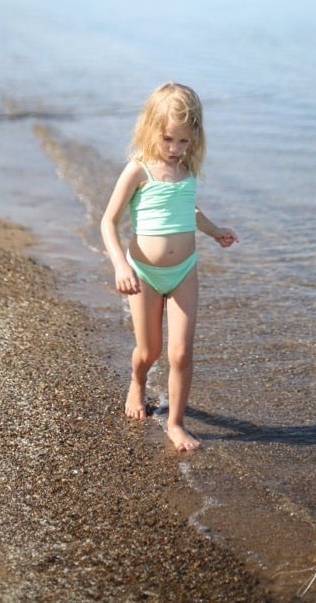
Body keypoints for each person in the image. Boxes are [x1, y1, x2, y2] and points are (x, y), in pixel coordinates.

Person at [100, 82, 238, 452]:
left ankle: (175, 423)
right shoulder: (138, 170)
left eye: (184, 142)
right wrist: (120, 267)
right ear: (150, 130)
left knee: (181, 353)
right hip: (143, 274)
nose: (176, 150)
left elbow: (186, 212)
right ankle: (137, 381)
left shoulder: (187, 171)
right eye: (168, 140)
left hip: (184, 272)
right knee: (150, 351)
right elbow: (108, 222)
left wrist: (214, 231)